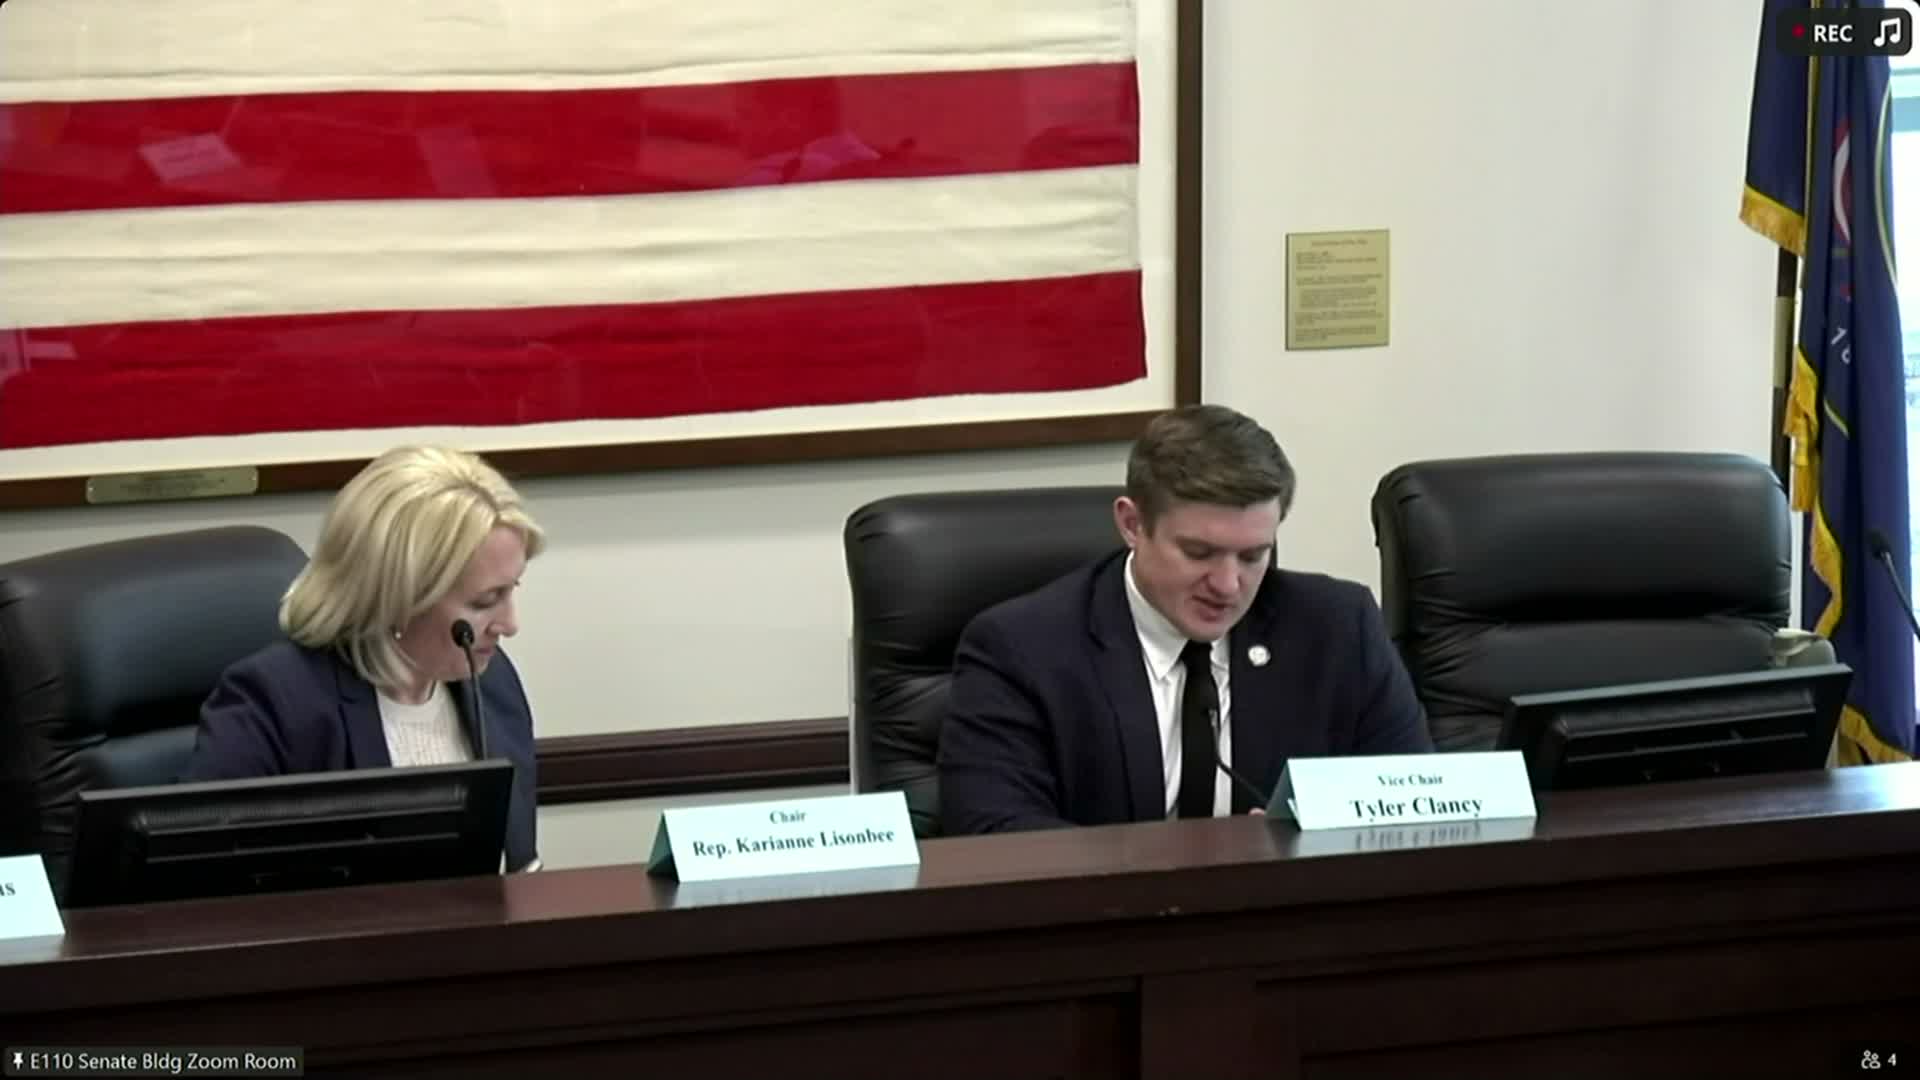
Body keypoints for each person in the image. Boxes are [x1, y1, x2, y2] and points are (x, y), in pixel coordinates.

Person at [938, 404, 1432, 835]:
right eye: (1199, 553)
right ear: (1132, 524)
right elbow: (993, 833)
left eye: (1253, 556)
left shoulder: (1338, 629)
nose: (1228, 585)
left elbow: (1417, 805)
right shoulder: (1021, 649)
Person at [181, 445, 546, 871]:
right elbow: (194, 872)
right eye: (485, 601)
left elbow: (516, 868)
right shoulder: (278, 702)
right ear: (398, 597)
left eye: (511, 591)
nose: (510, 624)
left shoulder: (493, 684)